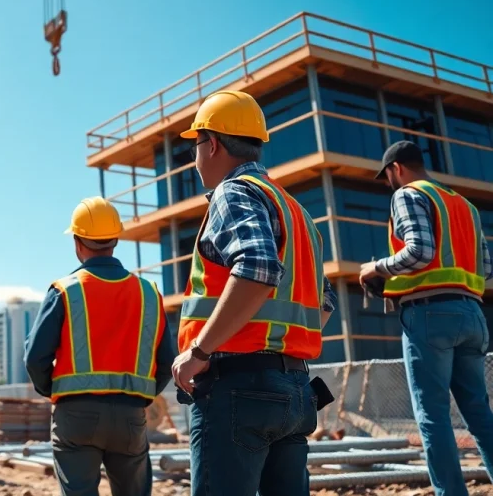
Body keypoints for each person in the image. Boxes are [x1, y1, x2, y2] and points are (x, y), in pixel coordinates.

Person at [170, 90, 337, 496]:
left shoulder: (234, 192)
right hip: (295, 390)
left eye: (195, 146)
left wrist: (200, 351)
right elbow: (325, 302)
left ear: (211, 144)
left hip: (236, 388)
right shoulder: (294, 209)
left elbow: (257, 270)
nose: (195, 159)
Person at [359, 140, 493, 496]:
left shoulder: (407, 194)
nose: (389, 183)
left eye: (387, 176)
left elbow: (419, 251)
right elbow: (487, 269)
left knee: (432, 417)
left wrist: (376, 267)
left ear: (396, 168)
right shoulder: (464, 205)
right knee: (479, 414)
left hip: (431, 315)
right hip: (472, 314)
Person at [24, 196, 174, 496]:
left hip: (76, 414)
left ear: (78, 242)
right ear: (115, 240)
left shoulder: (65, 290)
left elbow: (35, 357)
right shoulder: (148, 293)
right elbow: (167, 360)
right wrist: (140, 396)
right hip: (131, 415)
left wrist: (52, 391)